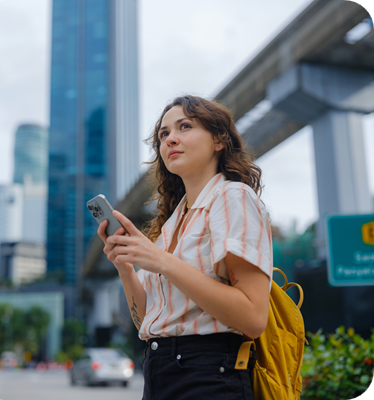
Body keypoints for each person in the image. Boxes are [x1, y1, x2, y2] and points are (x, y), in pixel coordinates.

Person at [97, 95, 273, 400]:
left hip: (208, 376)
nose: (170, 139)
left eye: (185, 127)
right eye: (164, 134)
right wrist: (125, 267)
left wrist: (161, 262)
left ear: (219, 140)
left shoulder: (232, 198)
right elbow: (147, 323)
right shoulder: (172, 224)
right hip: (159, 371)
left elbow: (253, 318)